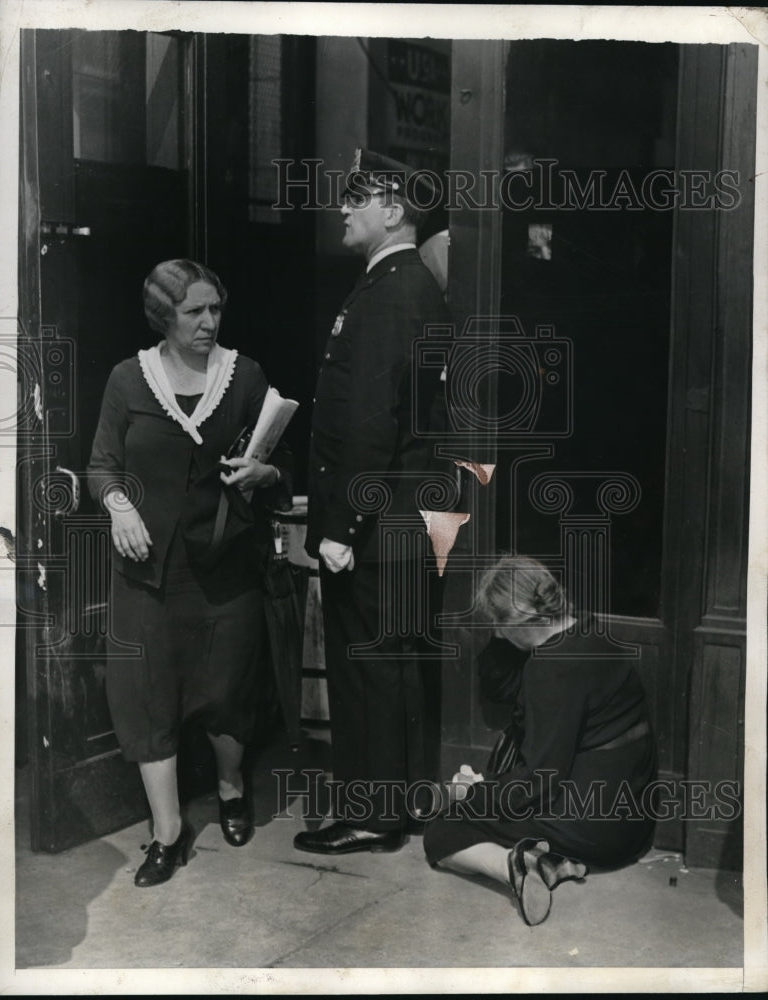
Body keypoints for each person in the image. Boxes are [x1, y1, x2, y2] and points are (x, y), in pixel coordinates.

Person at [87, 259, 291, 887]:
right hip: (149, 573)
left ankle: (231, 790)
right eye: (193, 312)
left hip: (225, 565)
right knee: (149, 696)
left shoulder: (246, 375)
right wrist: (118, 505)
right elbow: (101, 466)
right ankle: (167, 831)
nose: (208, 323)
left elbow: (277, 464)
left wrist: (268, 476)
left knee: (225, 687)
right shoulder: (128, 379)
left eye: (215, 310)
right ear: (163, 317)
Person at [294, 149, 451, 855]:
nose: (344, 209)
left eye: (358, 198)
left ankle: (374, 815)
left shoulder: (390, 291)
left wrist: (343, 524)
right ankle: (404, 800)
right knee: (392, 663)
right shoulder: (407, 284)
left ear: (394, 208)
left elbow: (371, 420)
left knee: (368, 668)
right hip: (401, 516)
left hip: (375, 518)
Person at [423, 555, 657, 925]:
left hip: (595, 830)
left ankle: (512, 867)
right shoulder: (592, 631)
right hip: (633, 826)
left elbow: (539, 782)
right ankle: (549, 862)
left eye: (498, 625)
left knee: (443, 830)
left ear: (515, 621)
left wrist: (476, 794)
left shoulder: (550, 668)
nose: (497, 635)